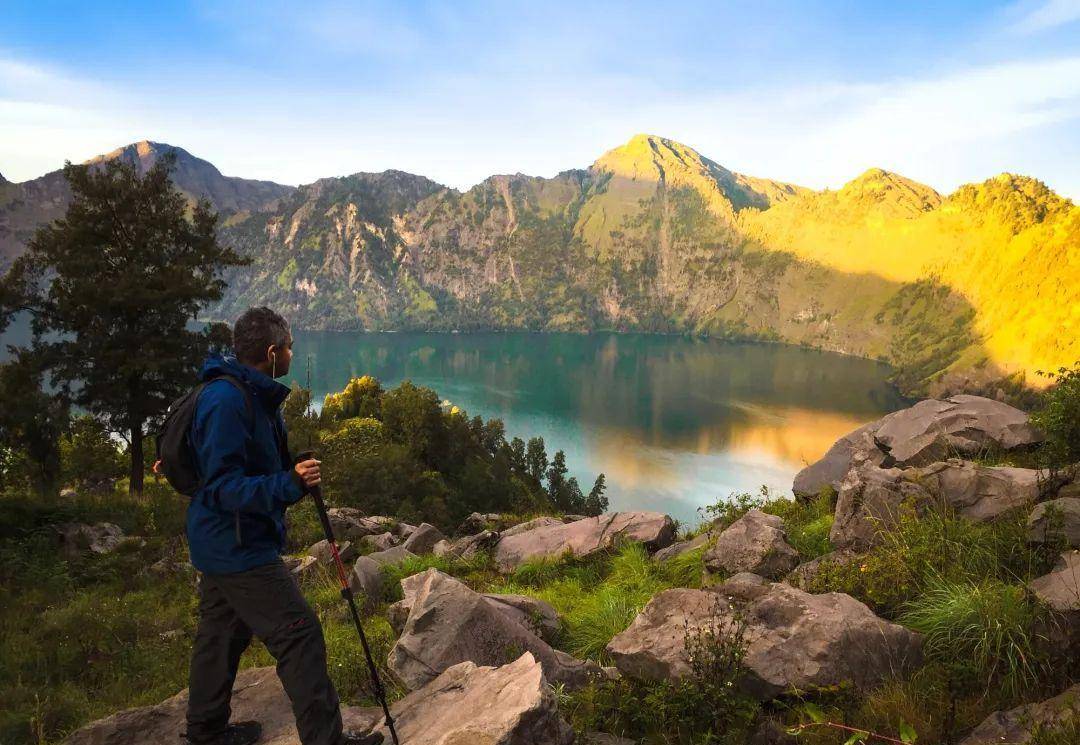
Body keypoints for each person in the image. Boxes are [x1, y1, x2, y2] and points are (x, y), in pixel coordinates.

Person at [182, 307, 381, 745]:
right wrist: (288, 484)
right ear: (272, 353)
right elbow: (222, 487)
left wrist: (287, 468)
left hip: (225, 541)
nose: (293, 353)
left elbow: (249, 463)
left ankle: (207, 732)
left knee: (222, 634)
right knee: (300, 634)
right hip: (237, 545)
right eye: (290, 347)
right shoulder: (228, 400)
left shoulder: (251, 394)